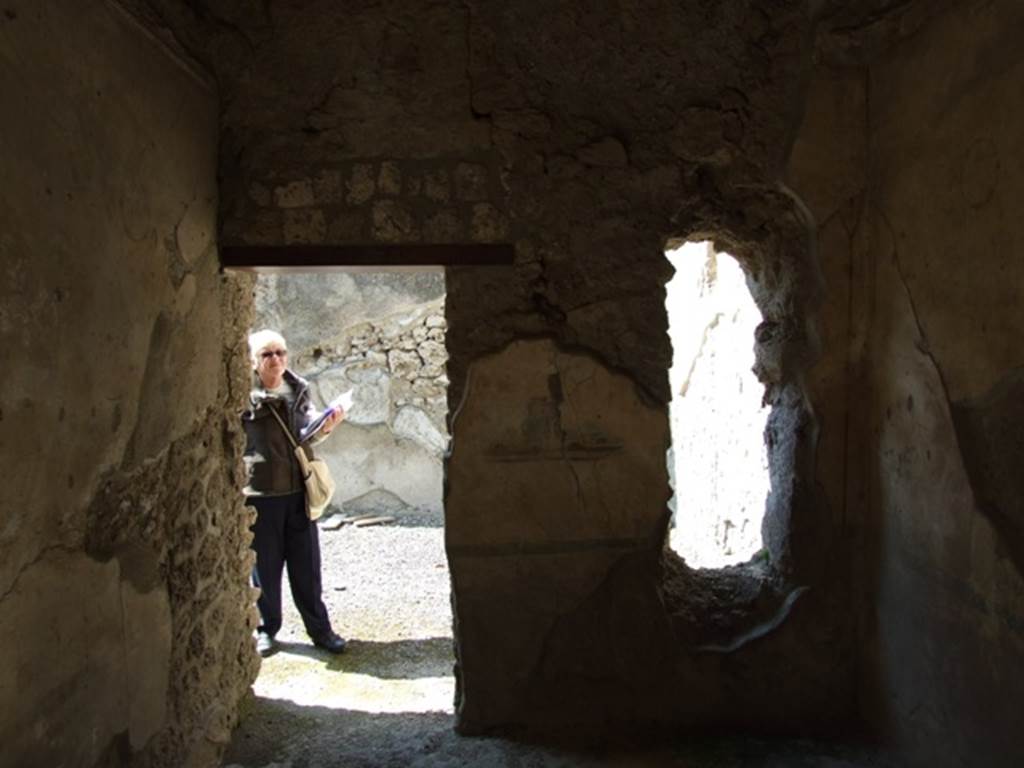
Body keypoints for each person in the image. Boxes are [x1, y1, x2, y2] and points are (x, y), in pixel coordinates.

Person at [241, 329, 346, 657]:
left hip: (297, 490)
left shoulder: (298, 389)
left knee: (307, 566)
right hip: (260, 493)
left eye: (281, 353)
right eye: (267, 354)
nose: (276, 360)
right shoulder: (244, 395)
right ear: (254, 362)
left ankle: (320, 630)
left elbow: (304, 432)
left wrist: (324, 425)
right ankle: (266, 630)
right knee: (265, 569)